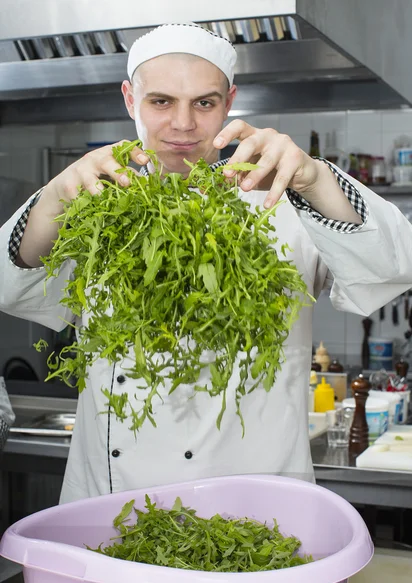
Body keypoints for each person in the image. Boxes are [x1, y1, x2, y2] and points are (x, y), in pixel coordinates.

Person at [1, 23, 412, 504]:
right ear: (130, 99)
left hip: (254, 509)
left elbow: (393, 267)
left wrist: (314, 177)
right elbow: (12, 283)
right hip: (113, 512)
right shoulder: (96, 203)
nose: (182, 124)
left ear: (229, 101)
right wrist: (53, 197)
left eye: (204, 102)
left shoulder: (281, 197)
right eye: (160, 102)